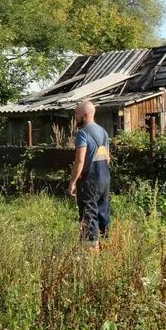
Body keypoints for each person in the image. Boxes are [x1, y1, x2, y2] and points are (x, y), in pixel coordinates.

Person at [68, 100, 111, 249]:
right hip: (105, 179)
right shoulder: (103, 132)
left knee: (89, 215)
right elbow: (108, 158)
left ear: (85, 115)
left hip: (90, 181)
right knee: (103, 214)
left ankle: (90, 255)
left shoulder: (83, 133)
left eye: (77, 114)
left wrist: (72, 182)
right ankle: (106, 249)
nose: (75, 117)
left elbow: (80, 160)